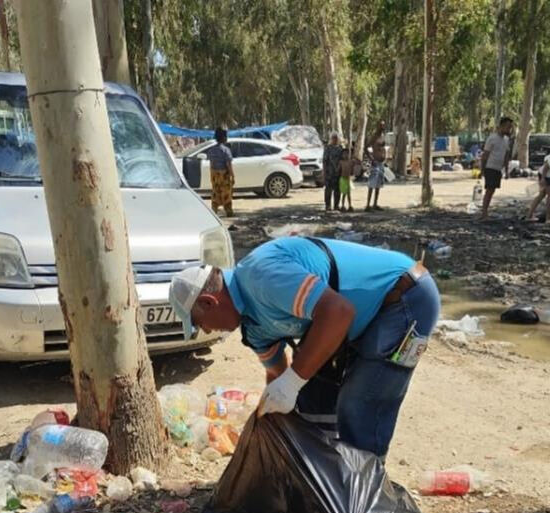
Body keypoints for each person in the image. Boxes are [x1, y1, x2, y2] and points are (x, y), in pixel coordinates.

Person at [168, 236, 441, 458]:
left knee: (360, 401)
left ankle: (364, 500)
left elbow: (338, 312)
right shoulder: (253, 328)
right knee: (312, 399)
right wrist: (266, 422)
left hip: (403, 297)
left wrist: (291, 383)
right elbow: (278, 376)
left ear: (208, 302)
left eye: (199, 322)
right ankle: (337, 484)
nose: (205, 331)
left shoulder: (261, 275)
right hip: (359, 322)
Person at [479, 117, 514, 219]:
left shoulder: (506, 140)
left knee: (492, 190)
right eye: (508, 127)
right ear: (501, 126)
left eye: (510, 128)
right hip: (490, 167)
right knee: (489, 190)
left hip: (498, 169)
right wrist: (482, 170)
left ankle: (485, 211)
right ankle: (484, 213)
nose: (509, 130)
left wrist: (507, 171)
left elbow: (507, 156)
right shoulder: (492, 138)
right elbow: (485, 155)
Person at [206, 128, 235, 218]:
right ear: (223, 138)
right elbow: (228, 164)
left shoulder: (211, 150)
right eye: (226, 137)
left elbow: (211, 164)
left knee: (216, 193)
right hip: (224, 175)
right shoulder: (226, 150)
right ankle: (228, 211)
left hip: (215, 175)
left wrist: (212, 176)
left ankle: (214, 212)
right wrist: (232, 176)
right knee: (226, 193)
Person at [365, 120, 387, 211]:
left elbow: (383, 148)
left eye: (383, 125)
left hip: (381, 163)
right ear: (377, 126)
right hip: (375, 163)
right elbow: (365, 148)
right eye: (380, 125)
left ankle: (375, 204)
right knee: (372, 184)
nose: (382, 127)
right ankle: (367, 205)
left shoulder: (383, 136)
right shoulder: (374, 137)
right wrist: (371, 159)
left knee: (378, 184)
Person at [322, 133, 343, 211]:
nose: (335, 139)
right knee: (328, 190)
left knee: (337, 190)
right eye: (333, 138)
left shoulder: (340, 148)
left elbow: (343, 160)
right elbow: (324, 161)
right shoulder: (328, 148)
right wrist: (324, 172)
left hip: (338, 172)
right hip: (329, 172)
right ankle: (328, 205)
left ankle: (336, 205)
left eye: (336, 138)